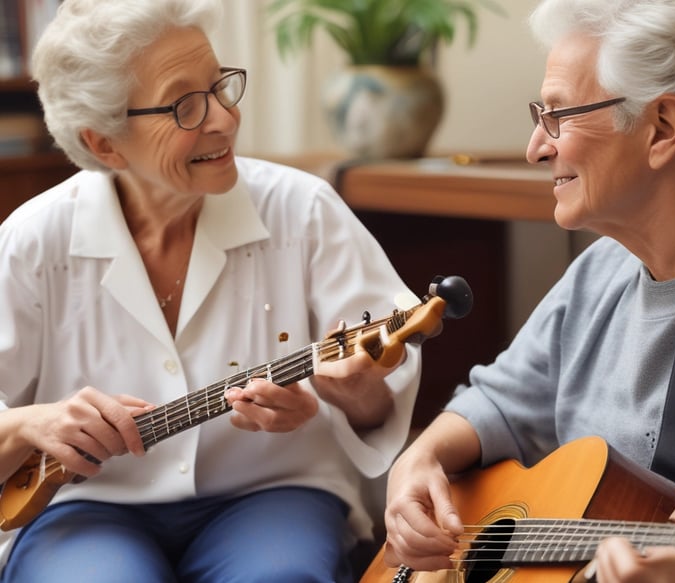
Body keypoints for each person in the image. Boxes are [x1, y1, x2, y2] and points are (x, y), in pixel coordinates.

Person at [0, 0, 424, 581]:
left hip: (272, 492)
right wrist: (32, 424)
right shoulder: (34, 240)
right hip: (86, 504)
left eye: (219, 87)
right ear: (104, 144)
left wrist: (351, 393)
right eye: (185, 105)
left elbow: (381, 400)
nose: (224, 119)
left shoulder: (303, 210)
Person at [381, 0, 675, 581]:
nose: (536, 147)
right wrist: (417, 462)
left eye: (559, 115)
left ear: (662, 127)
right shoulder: (598, 274)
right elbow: (497, 405)